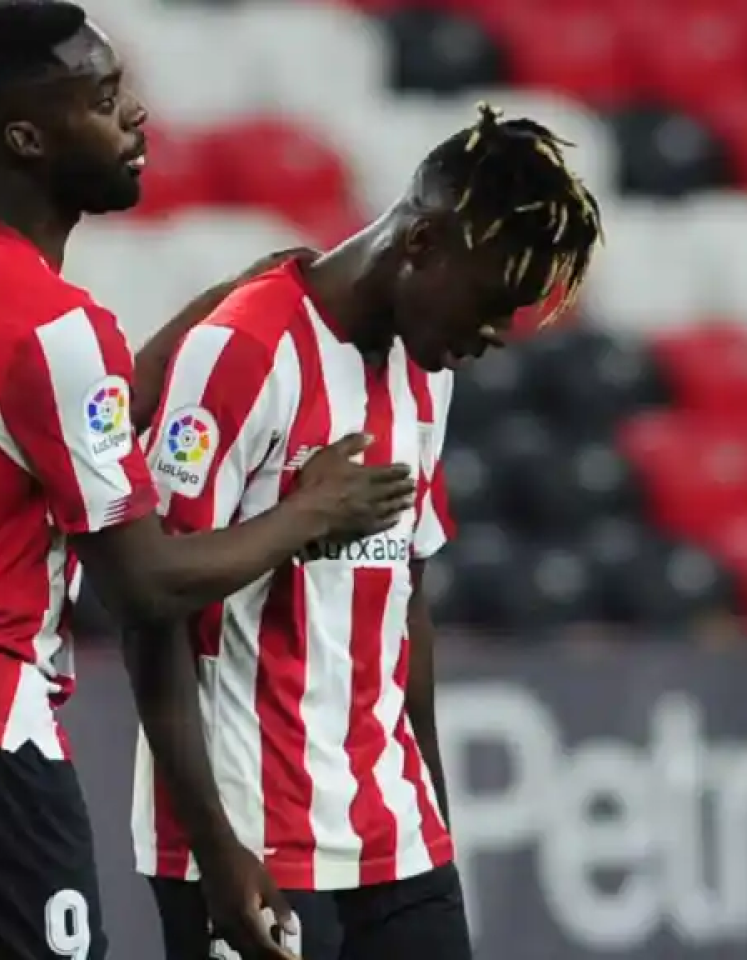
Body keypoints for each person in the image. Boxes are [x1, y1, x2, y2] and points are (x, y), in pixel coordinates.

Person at [0, 2, 419, 959]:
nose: (138, 118)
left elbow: (62, 418)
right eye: (104, 98)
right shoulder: (51, 324)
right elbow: (142, 581)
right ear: (27, 136)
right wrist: (309, 513)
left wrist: (210, 315)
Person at [131, 102, 604, 960]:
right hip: (251, 833)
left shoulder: (429, 370)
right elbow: (148, 596)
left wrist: (435, 822)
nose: (497, 335)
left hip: (395, 832)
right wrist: (210, 848)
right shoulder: (244, 347)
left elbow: (403, 603)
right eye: (494, 301)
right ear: (422, 244)